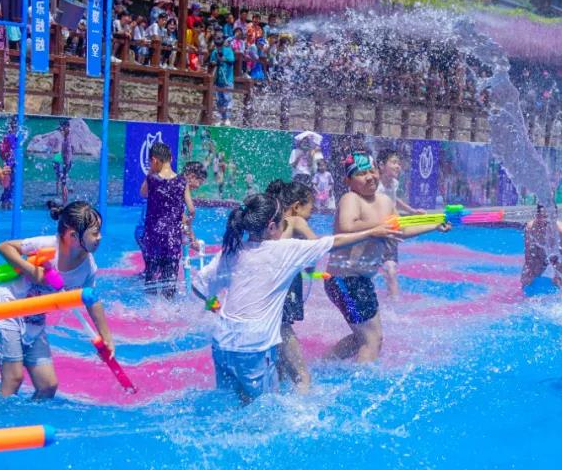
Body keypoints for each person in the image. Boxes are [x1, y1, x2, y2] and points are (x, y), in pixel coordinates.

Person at [191, 193, 394, 404]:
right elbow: (335, 242)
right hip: (254, 346)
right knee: (264, 408)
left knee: (229, 404)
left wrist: (214, 305)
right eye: (283, 222)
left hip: (222, 342)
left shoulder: (232, 250)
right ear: (272, 227)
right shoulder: (285, 250)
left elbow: (198, 287)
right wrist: (372, 232)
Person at [326, 152, 449, 363]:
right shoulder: (351, 199)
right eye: (361, 174)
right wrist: (380, 226)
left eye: (371, 171)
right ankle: (361, 379)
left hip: (360, 280)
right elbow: (346, 226)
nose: (369, 177)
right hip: (343, 279)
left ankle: (326, 362)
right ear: (348, 181)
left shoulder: (385, 201)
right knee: (372, 339)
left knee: (365, 337)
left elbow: (399, 230)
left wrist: (434, 225)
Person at [0, 201, 115, 399]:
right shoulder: (47, 246)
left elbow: (92, 300)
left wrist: (106, 337)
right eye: (95, 233)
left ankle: (26, 417)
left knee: (48, 386)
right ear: (73, 236)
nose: (100, 237)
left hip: (33, 319)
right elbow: (4, 247)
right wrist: (31, 270)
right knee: (13, 378)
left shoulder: (88, 266)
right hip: (6, 307)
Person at [265, 180, 320, 392]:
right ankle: (302, 386)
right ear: (296, 206)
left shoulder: (271, 223)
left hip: (268, 285)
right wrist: (309, 267)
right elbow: (315, 245)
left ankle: (280, 382)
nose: (312, 213)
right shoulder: (295, 220)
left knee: (276, 333)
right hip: (285, 285)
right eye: (311, 208)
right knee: (284, 327)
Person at [138, 142, 193, 298]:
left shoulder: (152, 179)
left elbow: (143, 193)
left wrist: (150, 172)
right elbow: (191, 209)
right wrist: (186, 223)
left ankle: (151, 305)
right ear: (171, 158)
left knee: (152, 276)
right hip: (172, 237)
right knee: (169, 277)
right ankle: (168, 303)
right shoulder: (182, 181)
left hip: (153, 236)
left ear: (154, 160)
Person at [375, 149, 426, 298]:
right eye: (394, 162)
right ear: (381, 165)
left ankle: (394, 304)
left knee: (390, 270)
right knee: (369, 272)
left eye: (399, 163)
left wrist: (412, 211)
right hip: (376, 232)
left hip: (391, 232)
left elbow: (394, 200)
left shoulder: (394, 184)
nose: (398, 166)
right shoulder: (374, 185)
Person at [522, 205, 562, 295]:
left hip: (559, 256)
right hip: (539, 255)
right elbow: (529, 256)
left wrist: (557, 275)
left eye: (549, 217)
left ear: (555, 216)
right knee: (525, 279)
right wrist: (530, 273)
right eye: (542, 217)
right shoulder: (530, 228)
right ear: (537, 216)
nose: (546, 220)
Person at [209, 36, 236, 126]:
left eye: (220, 45)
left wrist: (224, 59)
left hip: (227, 79)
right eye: (217, 45)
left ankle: (227, 118)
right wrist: (214, 62)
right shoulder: (214, 52)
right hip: (218, 80)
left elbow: (232, 60)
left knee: (227, 99)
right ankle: (221, 118)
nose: (218, 47)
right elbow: (211, 62)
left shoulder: (228, 51)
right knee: (219, 100)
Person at [0, 117, 19, 209]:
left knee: (9, 185)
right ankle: (6, 204)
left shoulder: (7, 137)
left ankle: (5, 203)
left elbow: (3, 152)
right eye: (16, 126)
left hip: (9, 164)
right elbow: (7, 152)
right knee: (10, 185)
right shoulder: (12, 137)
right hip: (11, 164)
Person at [54, 121, 73, 204]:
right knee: (62, 181)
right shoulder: (64, 137)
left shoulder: (68, 136)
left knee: (63, 182)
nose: (63, 129)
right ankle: (64, 200)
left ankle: (65, 201)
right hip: (63, 161)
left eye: (64, 127)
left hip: (66, 162)